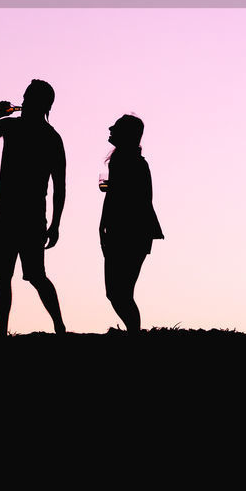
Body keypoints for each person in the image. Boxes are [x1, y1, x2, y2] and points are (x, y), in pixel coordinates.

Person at [0, 79, 66, 336]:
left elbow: (60, 185)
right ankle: (3, 333)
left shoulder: (46, 136)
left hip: (25, 217)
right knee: (4, 276)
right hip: (11, 215)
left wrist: (55, 224)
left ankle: (59, 326)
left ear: (42, 103)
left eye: (29, 97)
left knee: (34, 275)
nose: (25, 101)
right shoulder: (16, 127)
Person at [99, 113, 163, 334]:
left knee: (120, 292)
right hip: (130, 232)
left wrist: (106, 226)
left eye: (115, 127)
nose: (110, 128)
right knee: (119, 292)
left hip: (131, 232)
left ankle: (134, 335)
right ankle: (134, 333)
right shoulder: (124, 162)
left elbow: (134, 200)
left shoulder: (131, 163)